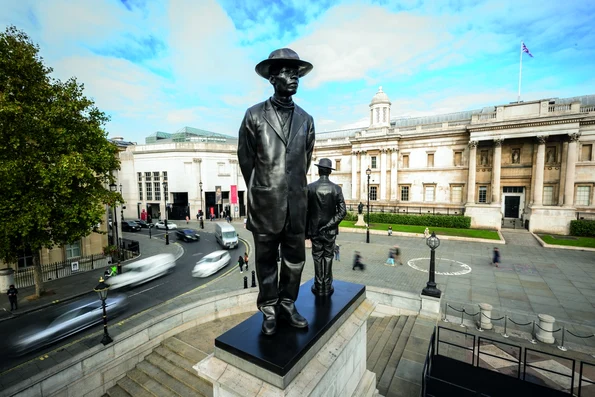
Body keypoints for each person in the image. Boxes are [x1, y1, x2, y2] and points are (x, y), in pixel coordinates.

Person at [238, 48, 315, 335]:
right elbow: (246, 159)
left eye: (296, 74)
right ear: (273, 78)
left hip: (296, 204)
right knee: (266, 259)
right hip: (265, 203)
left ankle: (287, 304)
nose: (293, 78)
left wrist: (290, 189)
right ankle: (268, 307)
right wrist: (262, 188)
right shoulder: (254, 115)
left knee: (296, 259)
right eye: (286, 73)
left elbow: (304, 162)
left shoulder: (306, 119)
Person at [306, 158, 346, 296]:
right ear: (329, 171)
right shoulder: (336, 189)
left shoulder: (310, 188)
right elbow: (342, 212)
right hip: (330, 231)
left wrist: (307, 231)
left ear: (318, 171)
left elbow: (305, 211)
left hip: (315, 230)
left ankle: (318, 284)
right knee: (328, 256)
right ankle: (327, 285)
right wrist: (329, 225)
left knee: (317, 256)